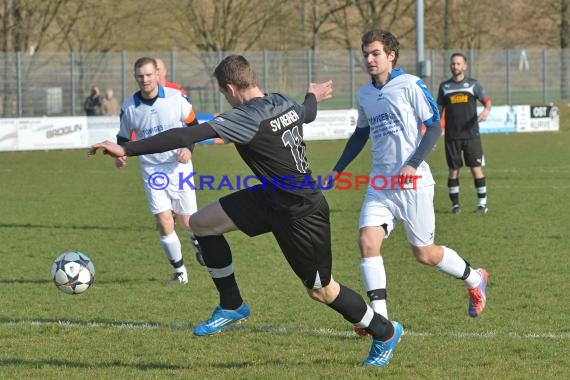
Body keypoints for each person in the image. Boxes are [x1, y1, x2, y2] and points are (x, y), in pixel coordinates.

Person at [89, 54, 404, 367]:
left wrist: (127, 147)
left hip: (301, 211)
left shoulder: (245, 117)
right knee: (199, 224)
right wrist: (312, 95)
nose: (226, 99)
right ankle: (231, 303)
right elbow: (306, 113)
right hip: (271, 196)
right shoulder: (281, 101)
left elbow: (186, 135)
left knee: (322, 290)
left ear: (230, 88)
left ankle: (385, 331)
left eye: (224, 94)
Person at [324, 30, 489, 331]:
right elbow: (361, 133)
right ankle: (380, 320)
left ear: (391, 55)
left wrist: (413, 163)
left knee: (424, 253)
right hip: (381, 184)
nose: (369, 59)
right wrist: (338, 170)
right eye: (365, 54)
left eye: (375, 53)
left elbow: (434, 127)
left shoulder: (411, 85)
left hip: (413, 184)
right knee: (367, 241)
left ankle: (475, 278)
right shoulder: (365, 94)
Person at [114, 57, 203, 285]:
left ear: (157, 74)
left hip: (179, 166)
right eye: (140, 76)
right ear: (135, 78)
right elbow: (123, 137)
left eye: (148, 74)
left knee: (188, 221)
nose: (144, 80)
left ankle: (197, 241)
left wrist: (188, 147)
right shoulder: (129, 107)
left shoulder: (176, 99)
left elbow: (194, 127)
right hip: (152, 169)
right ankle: (180, 271)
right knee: (164, 221)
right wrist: (121, 154)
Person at [437, 53, 492, 214]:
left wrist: (486, 111)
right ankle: (455, 206)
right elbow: (439, 111)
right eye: (453, 64)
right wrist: (436, 131)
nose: (455, 66)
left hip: (471, 135)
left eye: (458, 64)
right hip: (452, 136)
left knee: (476, 168)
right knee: (453, 170)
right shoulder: (444, 87)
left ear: (465, 66)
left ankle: (482, 204)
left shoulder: (473, 85)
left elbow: (487, 102)